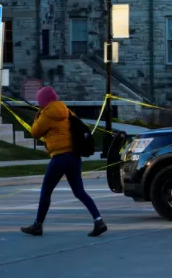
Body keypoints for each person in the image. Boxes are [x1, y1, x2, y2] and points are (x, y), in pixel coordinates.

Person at [20, 86, 108, 237]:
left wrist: (38, 115)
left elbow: (34, 132)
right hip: (74, 156)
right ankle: (98, 220)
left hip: (60, 157)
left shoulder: (46, 114)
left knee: (46, 192)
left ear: (43, 101)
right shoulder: (66, 110)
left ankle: (38, 225)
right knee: (79, 192)